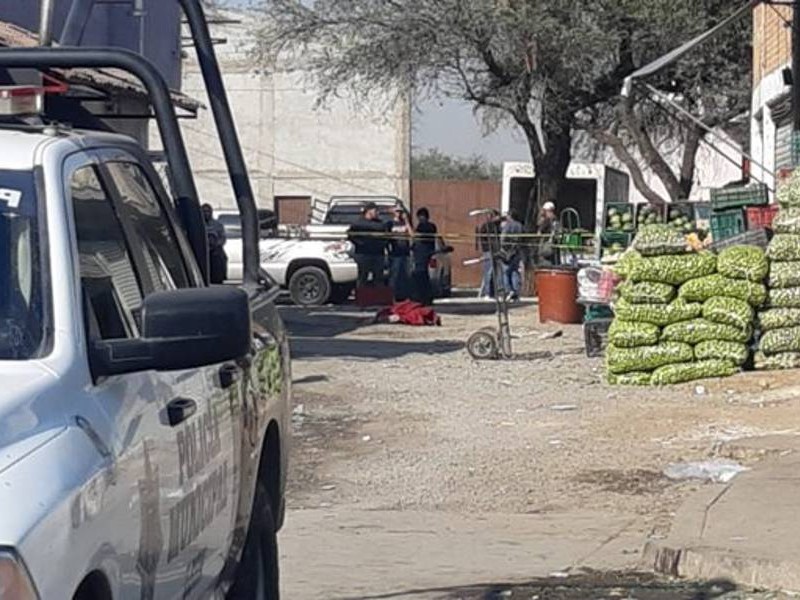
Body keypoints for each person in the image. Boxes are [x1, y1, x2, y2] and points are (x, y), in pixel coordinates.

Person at [348, 201, 390, 287]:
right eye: (375, 210)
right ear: (369, 211)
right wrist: (361, 244)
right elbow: (351, 235)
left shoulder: (381, 224)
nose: (377, 213)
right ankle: (362, 298)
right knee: (362, 277)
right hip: (363, 254)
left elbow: (386, 236)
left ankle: (378, 298)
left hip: (378, 254)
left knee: (379, 278)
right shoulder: (358, 223)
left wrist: (382, 244)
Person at [412, 207, 438, 305]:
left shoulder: (426, 226)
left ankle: (424, 297)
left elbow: (418, 237)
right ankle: (424, 297)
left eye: (420, 217)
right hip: (422, 255)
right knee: (422, 277)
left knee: (422, 277)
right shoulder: (429, 226)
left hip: (423, 255)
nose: (420, 219)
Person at [388, 207, 412, 300]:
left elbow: (412, 235)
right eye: (397, 211)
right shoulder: (390, 224)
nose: (399, 213)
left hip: (405, 253)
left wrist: (406, 221)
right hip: (395, 253)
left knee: (406, 276)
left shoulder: (404, 223)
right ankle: (391, 296)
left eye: (400, 212)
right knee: (394, 275)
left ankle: (405, 296)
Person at [476, 209, 501, 299]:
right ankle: (487, 292)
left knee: (495, 273)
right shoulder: (487, 226)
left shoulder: (496, 226)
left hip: (495, 251)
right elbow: (486, 239)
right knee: (489, 272)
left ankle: (493, 292)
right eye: (496, 216)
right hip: (489, 251)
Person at [501, 209, 524, 302]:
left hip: (507, 251)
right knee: (515, 271)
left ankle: (509, 290)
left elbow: (503, 237)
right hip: (517, 251)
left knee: (506, 272)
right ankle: (516, 293)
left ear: (510, 216)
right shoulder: (520, 226)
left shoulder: (508, 225)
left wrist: (502, 248)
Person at [202, 203, 228, 284]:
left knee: (222, 258)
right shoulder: (197, 224)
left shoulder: (217, 225)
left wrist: (216, 244)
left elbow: (223, 238)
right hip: (202, 252)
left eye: (208, 211)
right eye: (204, 211)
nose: (206, 213)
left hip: (215, 252)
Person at [536, 201, 560, 266]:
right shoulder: (556, 220)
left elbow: (539, 232)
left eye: (545, 211)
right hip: (553, 247)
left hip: (546, 247)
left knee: (545, 265)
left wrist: (541, 221)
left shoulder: (547, 221)